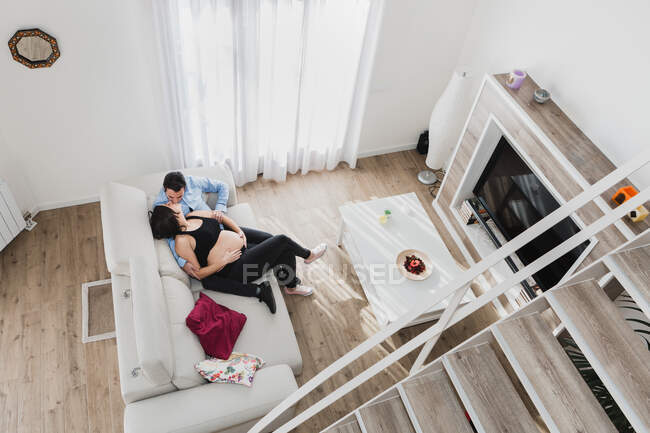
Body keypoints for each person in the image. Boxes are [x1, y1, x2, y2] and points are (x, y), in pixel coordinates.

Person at [149, 202, 327, 314]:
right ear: (172, 216)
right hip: (236, 269)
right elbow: (200, 274)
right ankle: (308, 255)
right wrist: (222, 261)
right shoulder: (182, 241)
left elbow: (221, 218)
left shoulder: (192, 214)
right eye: (169, 206)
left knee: (284, 249)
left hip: (242, 248)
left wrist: (239, 231)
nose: (171, 203)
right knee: (281, 240)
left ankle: (291, 286)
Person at [152, 171, 229, 279]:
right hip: (201, 242)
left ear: (185, 187)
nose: (175, 201)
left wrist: (219, 209)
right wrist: (182, 262)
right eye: (170, 197)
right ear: (164, 189)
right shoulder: (161, 205)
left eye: (179, 197)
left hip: (216, 224)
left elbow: (223, 186)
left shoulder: (192, 182)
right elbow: (168, 236)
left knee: (245, 242)